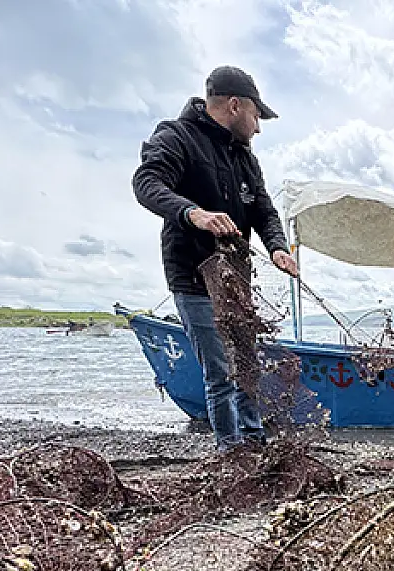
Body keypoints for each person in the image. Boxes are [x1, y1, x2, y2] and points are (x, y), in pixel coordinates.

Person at [132, 65, 299, 451]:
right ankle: (231, 452)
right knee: (221, 371)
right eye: (258, 117)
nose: (258, 128)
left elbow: (264, 211)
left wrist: (277, 246)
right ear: (236, 106)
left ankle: (255, 441)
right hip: (192, 274)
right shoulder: (176, 137)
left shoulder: (245, 158)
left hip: (235, 279)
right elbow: (147, 183)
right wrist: (193, 213)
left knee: (248, 365)